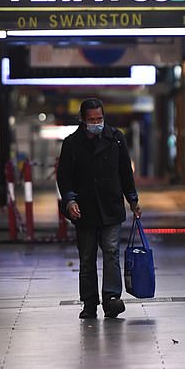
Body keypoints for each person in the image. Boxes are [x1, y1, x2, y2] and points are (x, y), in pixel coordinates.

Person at [57, 97, 141, 319]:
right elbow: (64, 177)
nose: (97, 122)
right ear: (83, 120)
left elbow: (125, 172)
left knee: (111, 253)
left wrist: (132, 199)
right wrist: (70, 201)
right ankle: (89, 303)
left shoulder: (116, 139)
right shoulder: (72, 143)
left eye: (100, 118)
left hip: (111, 206)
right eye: (92, 119)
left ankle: (112, 299)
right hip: (85, 209)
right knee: (87, 258)